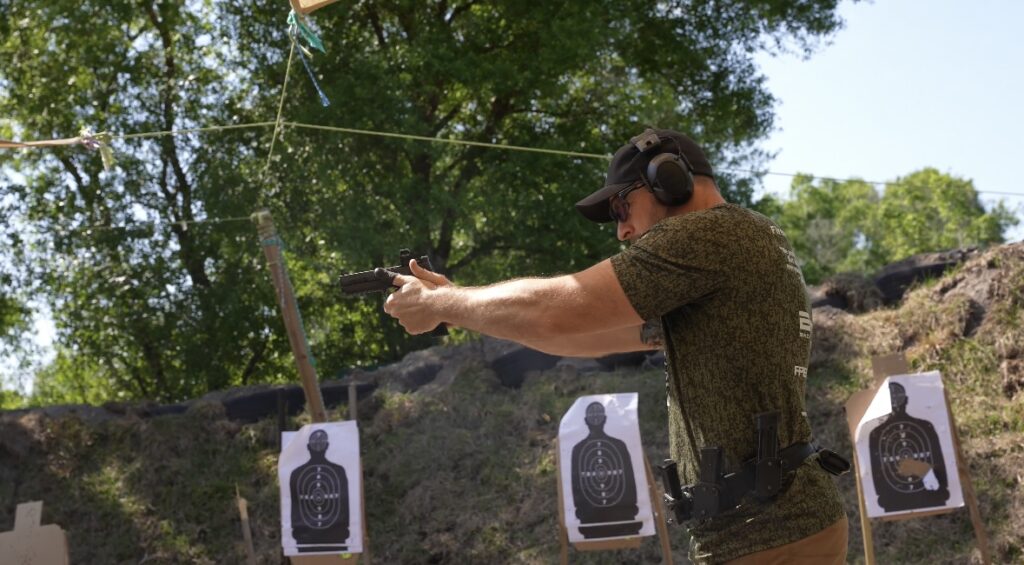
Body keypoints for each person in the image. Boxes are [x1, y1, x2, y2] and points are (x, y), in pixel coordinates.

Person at [382, 128, 848, 564]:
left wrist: (444, 301)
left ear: (668, 179)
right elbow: (573, 333)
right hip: (770, 526)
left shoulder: (710, 234)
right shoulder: (735, 243)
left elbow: (559, 308)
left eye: (622, 208)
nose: (622, 231)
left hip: (768, 531)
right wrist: (454, 306)